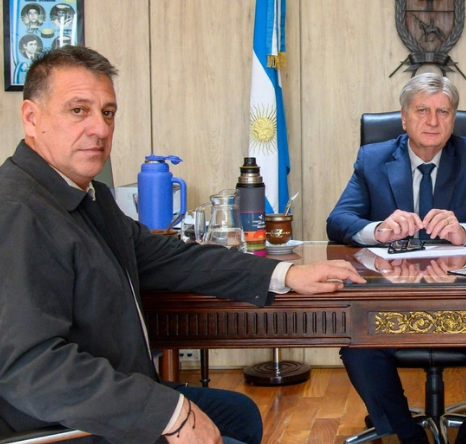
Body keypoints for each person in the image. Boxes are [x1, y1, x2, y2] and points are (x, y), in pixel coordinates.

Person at [0, 45, 365, 444]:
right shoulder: (18, 212)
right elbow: (30, 368)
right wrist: (167, 414)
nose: (101, 129)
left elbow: (168, 257)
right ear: (31, 118)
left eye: (108, 112)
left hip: (118, 392)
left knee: (239, 414)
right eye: (78, 110)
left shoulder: (87, 196)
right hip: (68, 424)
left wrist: (285, 273)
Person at [326, 73, 466, 444]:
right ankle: (407, 434)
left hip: (462, 300)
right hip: (393, 300)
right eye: (422, 111)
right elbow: (338, 221)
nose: (433, 121)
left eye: (443, 112)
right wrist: (377, 230)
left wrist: (465, 230)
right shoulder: (373, 158)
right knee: (358, 346)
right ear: (403, 118)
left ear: (453, 118)